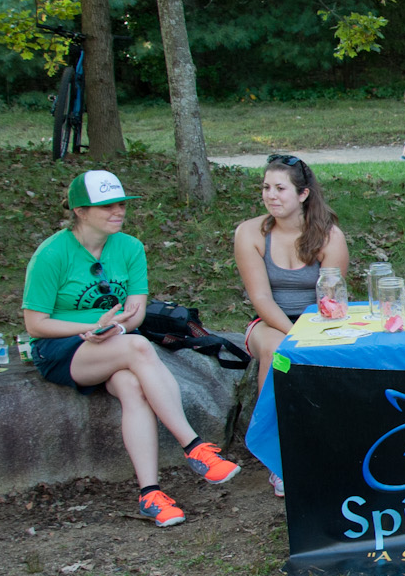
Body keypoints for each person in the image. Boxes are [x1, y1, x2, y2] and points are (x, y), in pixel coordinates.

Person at [23, 171, 241, 527]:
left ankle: (150, 493)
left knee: (132, 386)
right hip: (62, 347)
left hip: (114, 341)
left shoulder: (130, 248)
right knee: (139, 349)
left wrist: (116, 328)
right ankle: (195, 447)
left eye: (121, 203)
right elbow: (35, 324)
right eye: (107, 205)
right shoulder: (51, 254)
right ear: (79, 210)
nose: (118, 211)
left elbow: (136, 312)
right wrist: (90, 328)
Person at [233, 155, 350, 495]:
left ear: (303, 194)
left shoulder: (329, 236)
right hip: (270, 323)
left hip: (317, 320)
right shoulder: (250, 233)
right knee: (276, 350)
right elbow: (262, 299)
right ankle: (278, 457)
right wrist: (293, 333)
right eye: (266, 187)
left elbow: (333, 297)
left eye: (280, 188)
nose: (271, 195)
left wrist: (310, 331)